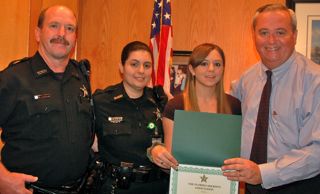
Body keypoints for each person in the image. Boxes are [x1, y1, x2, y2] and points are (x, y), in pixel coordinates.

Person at [222, 3, 320, 194]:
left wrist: (264, 173)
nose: (271, 40)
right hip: (250, 188)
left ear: (295, 35)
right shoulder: (246, 80)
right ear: (254, 36)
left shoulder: (315, 81)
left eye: (280, 32)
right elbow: (225, 122)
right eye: (264, 32)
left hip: (300, 186)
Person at [0, 5, 94, 194]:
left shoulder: (80, 77)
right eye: (54, 26)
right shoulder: (12, 79)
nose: (62, 34)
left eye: (70, 29)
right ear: (37, 33)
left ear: (75, 37)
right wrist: (2, 179)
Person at [149, 43, 241, 169]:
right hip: (186, 184)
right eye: (204, 63)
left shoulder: (235, 106)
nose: (211, 69)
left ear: (223, 69)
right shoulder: (176, 106)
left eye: (217, 64)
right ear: (192, 69)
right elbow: (171, 159)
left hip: (223, 184)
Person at [93, 41, 168, 194]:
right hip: (117, 188)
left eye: (147, 66)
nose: (141, 70)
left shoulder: (160, 102)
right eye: (134, 64)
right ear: (121, 67)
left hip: (156, 186)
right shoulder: (101, 101)